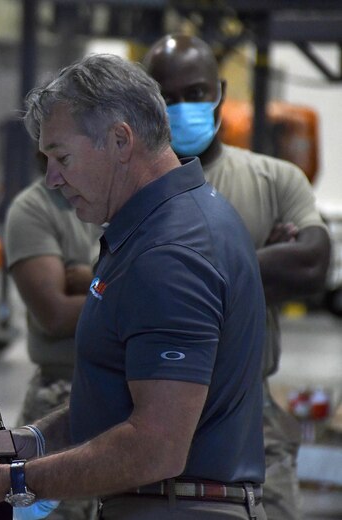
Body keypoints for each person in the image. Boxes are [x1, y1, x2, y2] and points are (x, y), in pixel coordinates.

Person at [0, 53, 268, 519]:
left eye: (61, 157)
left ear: (120, 140)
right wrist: (26, 442)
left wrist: (11, 482)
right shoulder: (168, 223)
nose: (52, 178)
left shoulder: (170, 253)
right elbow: (121, 401)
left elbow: (155, 446)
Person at [143, 34, 332, 520]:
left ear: (221, 91)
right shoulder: (130, 190)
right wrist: (260, 259)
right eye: (169, 96)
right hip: (149, 409)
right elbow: (131, 291)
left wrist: (186, 271)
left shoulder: (275, 178)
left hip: (251, 410)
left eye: (197, 92)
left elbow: (312, 264)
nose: (184, 107)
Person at [4, 166, 101, 520]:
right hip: (61, 394)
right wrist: (137, 293)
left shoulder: (133, 200)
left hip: (131, 398)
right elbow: (56, 316)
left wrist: (91, 281)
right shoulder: (34, 208)